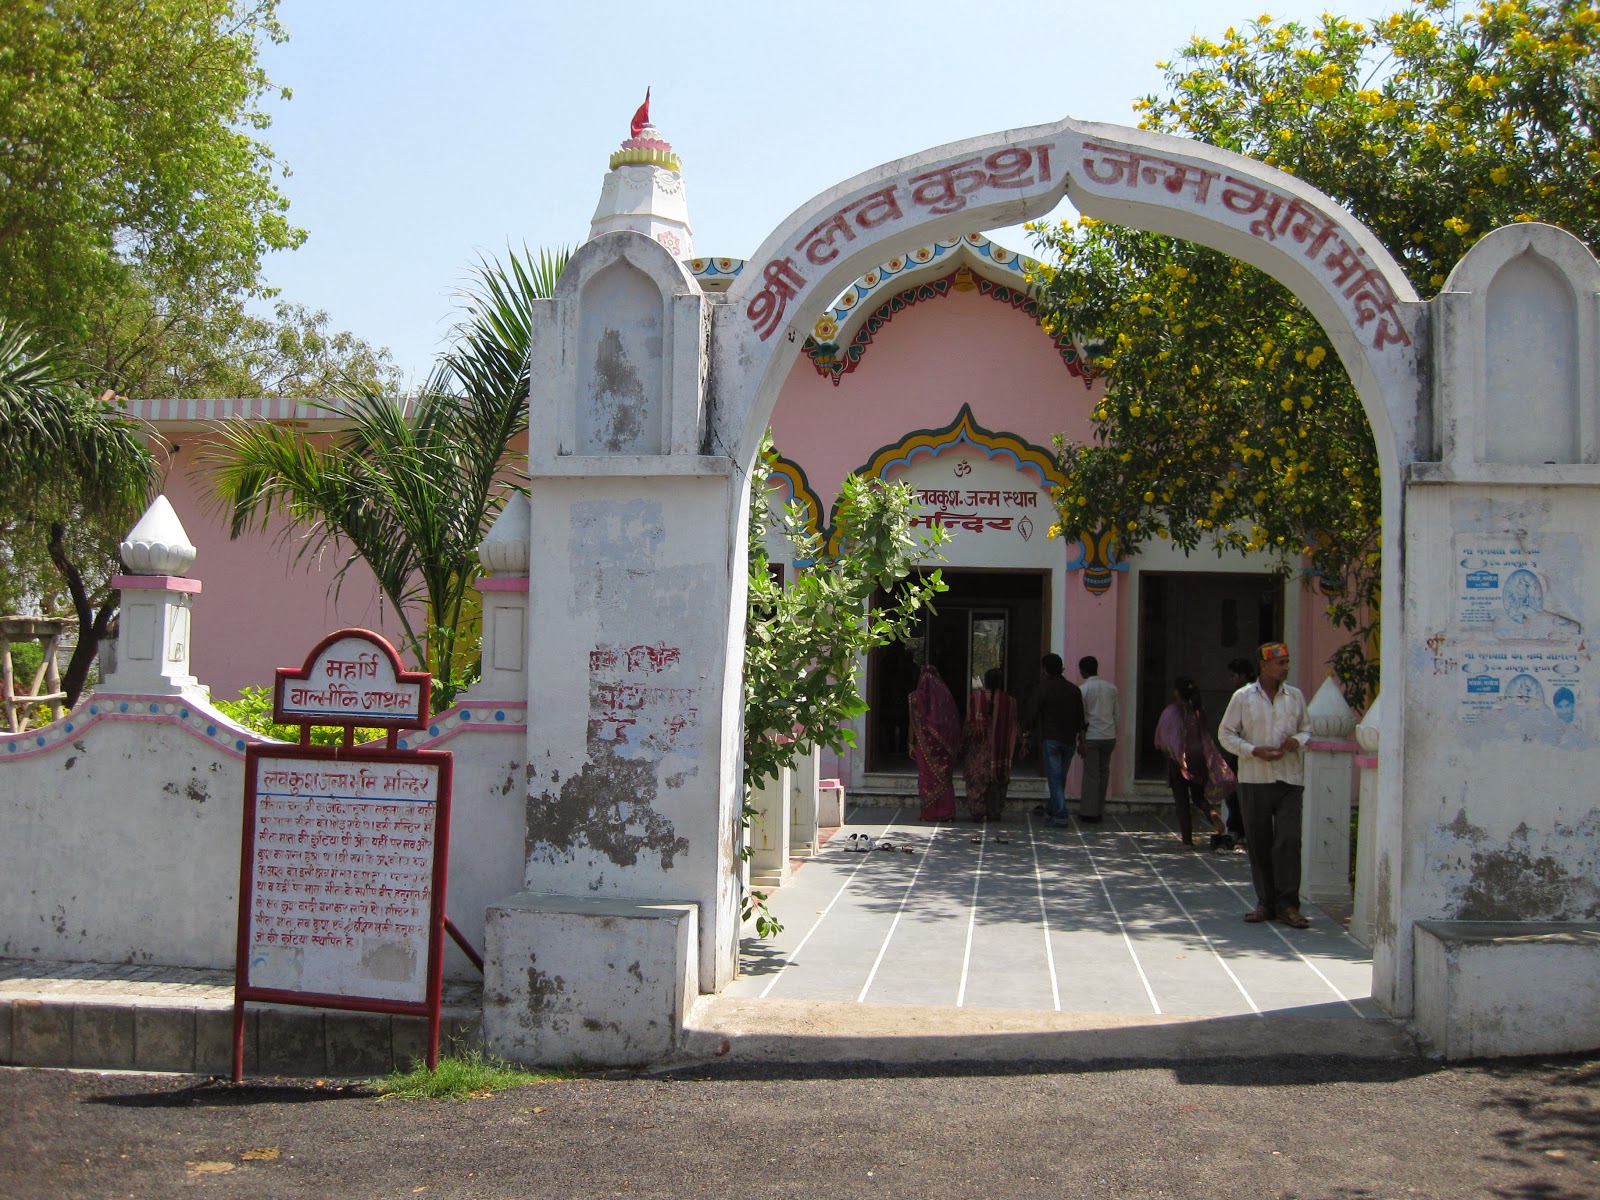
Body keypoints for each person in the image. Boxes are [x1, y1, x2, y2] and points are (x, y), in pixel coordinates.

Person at [1218, 642, 1313, 929]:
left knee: (1288, 840)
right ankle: (1266, 902)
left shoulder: (1294, 697)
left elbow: (1307, 729)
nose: (1285, 667)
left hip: (1289, 778)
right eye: (1280, 663)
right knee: (1259, 842)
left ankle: (1289, 904)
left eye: (1287, 661)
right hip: (1254, 779)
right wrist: (1252, 750)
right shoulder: (1243, 697)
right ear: (1264, 665)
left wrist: (1298, 741)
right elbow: (1225, 734)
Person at [1153, 676, 1227, 848]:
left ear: (1176, 692)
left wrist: (1170, 753)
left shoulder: (1172, 711)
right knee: (1198, 797)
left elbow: (1164, 737)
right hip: (1198, 758)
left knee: (1182, 801)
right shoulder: (1198, 711)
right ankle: (1212, 814)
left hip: (1179, 760)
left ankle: (1187, 840)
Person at [1020, 653, 1086, 826]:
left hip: (1052, 739)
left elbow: (1032, 713)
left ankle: (1061, 814)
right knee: (1059, 777)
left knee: (1055, 778)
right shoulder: (1074, 690)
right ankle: (1051, 807)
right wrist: (1082, 741)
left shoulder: (1043, 689)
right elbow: (1081, 718)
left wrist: (1026, 733)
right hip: (1069, 740)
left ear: (1045, 669)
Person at [962, 667, 1018, 822]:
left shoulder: (975, 698)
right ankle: (994, 811)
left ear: (985, 681)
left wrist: (962, 741)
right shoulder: (1010, 701)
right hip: (999, 748)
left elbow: (968, 722)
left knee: (977, 777)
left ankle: (977, 811)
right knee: (996, 778)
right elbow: (1013, 727)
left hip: (978, 746)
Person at [907, 664, 961, 821]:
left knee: (927, 779)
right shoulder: (945, 699)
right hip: (944, 749)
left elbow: (911, 723)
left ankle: (929, 814)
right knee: (944, 779)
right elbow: (952, 722)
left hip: (923, 748)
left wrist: (910, 744)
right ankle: (946, 812)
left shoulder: (914, 698)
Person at [1218, 657, 1255, 847]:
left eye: (1233, 676)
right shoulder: (1241, 694)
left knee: (1238, 794)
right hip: (1238, 750)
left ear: (1242, 675)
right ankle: (1237, 829)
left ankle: (1238, 830)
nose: (1231, 680)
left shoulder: (1247, 695)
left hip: (1245, 750)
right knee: (1234, 793)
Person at [1076, 655, 1117, 824]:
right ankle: (1099, 809)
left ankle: (1088, 812)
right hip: (1109, 735)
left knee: (1091, 775)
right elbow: (1116, 715)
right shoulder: (1111, 688)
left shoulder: (1083, 690)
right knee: (1103, 772)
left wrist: (1082, 740)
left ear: (1083, 670)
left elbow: (1082, 717)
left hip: (1092, 736)